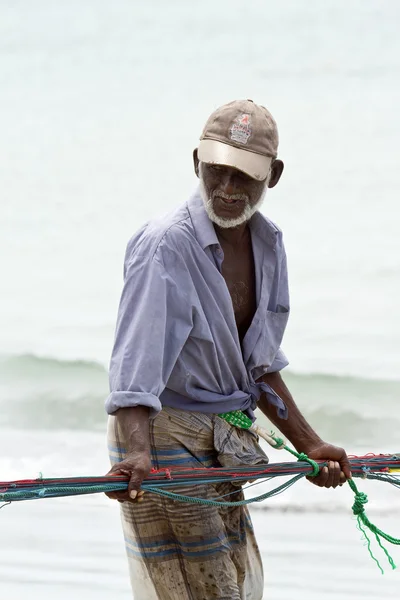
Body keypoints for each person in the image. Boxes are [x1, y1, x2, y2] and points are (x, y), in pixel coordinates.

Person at [105, 99, 351, 600]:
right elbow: (135, 367)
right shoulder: (164, 246)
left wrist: (311, 444)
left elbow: (258, 366)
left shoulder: (268, 244)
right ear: (197, 161)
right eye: (217, 171)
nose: (228, 189)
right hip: (158, 436)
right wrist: (136, 453)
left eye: (245, 176)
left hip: (222, 438)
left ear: (273, 176)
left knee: (242, 584)